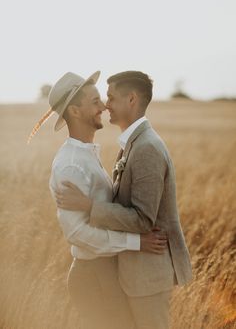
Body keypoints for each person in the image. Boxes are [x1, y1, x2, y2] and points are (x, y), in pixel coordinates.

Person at [28, 70, 169, 329]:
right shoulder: (71, 165)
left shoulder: (86, 155)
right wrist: (136, 242)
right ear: (75, 111)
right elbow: (78, 234)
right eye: (95, 102)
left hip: (106, 273)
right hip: (93, 276)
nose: (103, 106)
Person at [56, 71, 192, 329]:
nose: (106, 105)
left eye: (110, 97)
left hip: (147, 277)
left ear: (131, 99)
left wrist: (89, 206)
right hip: (134, 276)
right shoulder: (133, 143)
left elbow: (142, 219)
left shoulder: (146, 148)